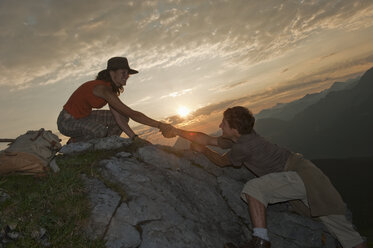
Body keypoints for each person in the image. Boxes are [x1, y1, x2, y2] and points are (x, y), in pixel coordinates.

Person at [162, 106, 367, 248]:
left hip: (300, 176)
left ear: (234, 129)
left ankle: (260, 240)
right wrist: (177, 131)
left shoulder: (243, 145)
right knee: (348, 236)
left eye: (223, 123)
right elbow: (206, 138)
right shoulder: (239, 137)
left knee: (253, 189)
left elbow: (222, 161)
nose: (219, 125)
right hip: (305, 175)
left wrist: (203, 151)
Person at [57, 56, 172, 143]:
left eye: (127, 74)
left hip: (84, 117)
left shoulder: (109, 89)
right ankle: (74, 145)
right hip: (67, 121)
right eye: (123, 72)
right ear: (112, 73)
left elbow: (119, 119)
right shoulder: (102, 89)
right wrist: (160, 125)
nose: (126, 76)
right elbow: (132, 113)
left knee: (123, 117)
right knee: (99, 131)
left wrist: (134, 138)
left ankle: (108, 144)